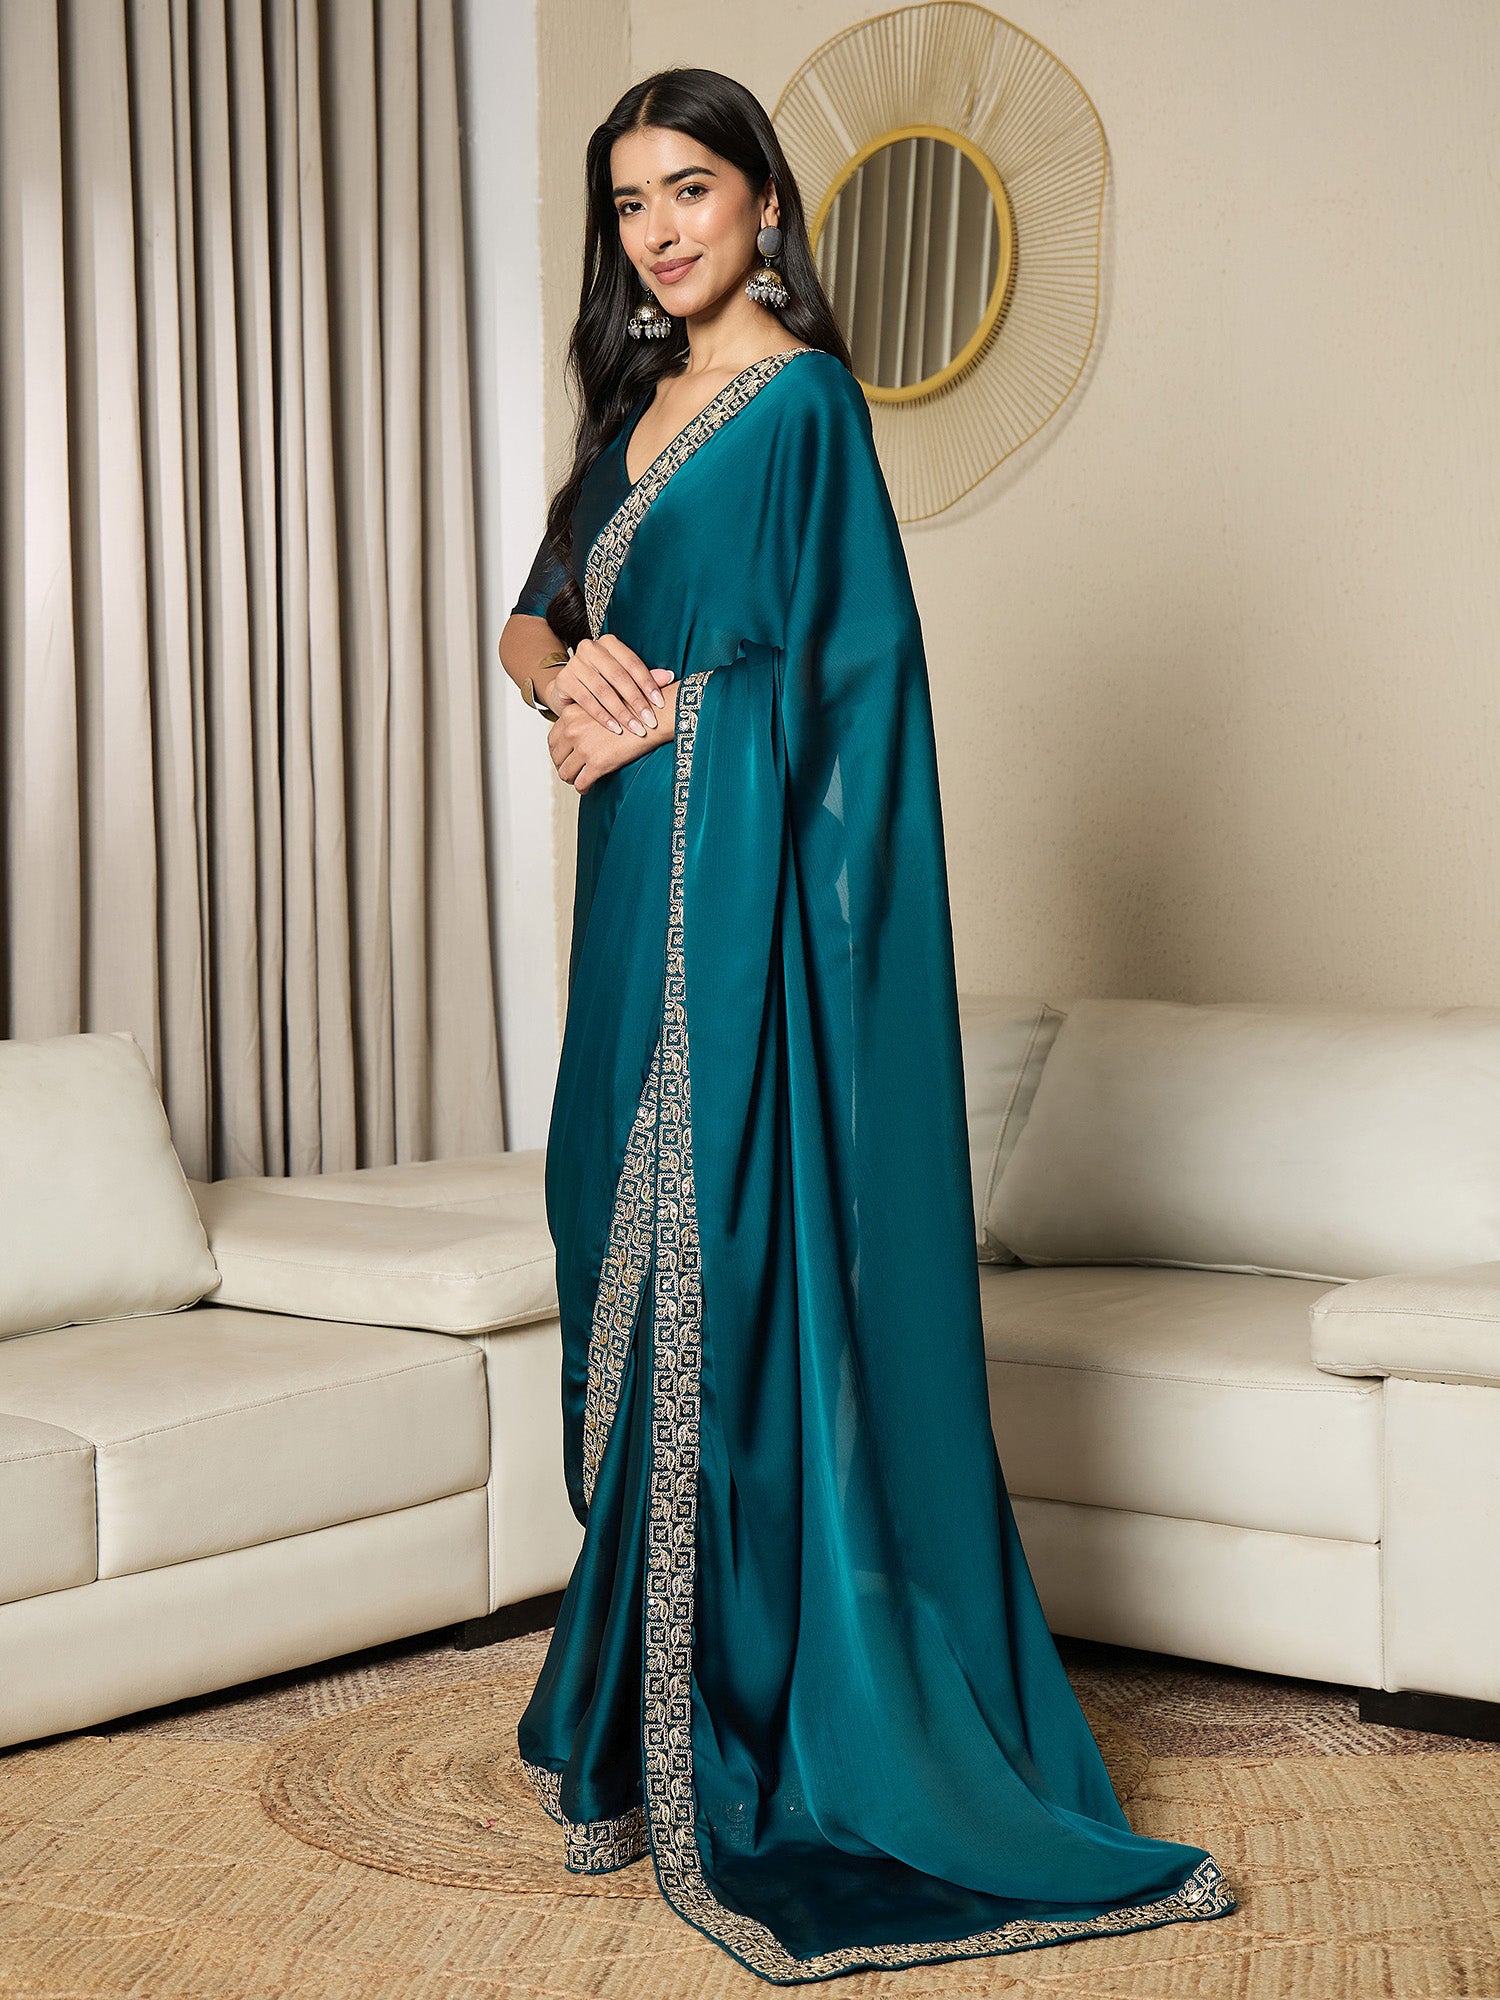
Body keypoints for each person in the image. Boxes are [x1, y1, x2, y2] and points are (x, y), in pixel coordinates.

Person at [495, 64, 1237, 1986]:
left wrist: (684, 715)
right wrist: (570, 681)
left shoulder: (805, 408)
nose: (659, 231)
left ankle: (762, 1725)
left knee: (735, 1278)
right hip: (629, 909)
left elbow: (855, 689)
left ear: (763, 201)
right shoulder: (630, 417)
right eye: (630, 203)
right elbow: (529, 615)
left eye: (690, 189)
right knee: (612, 1253)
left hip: (736, 920)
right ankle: (648, 1707)